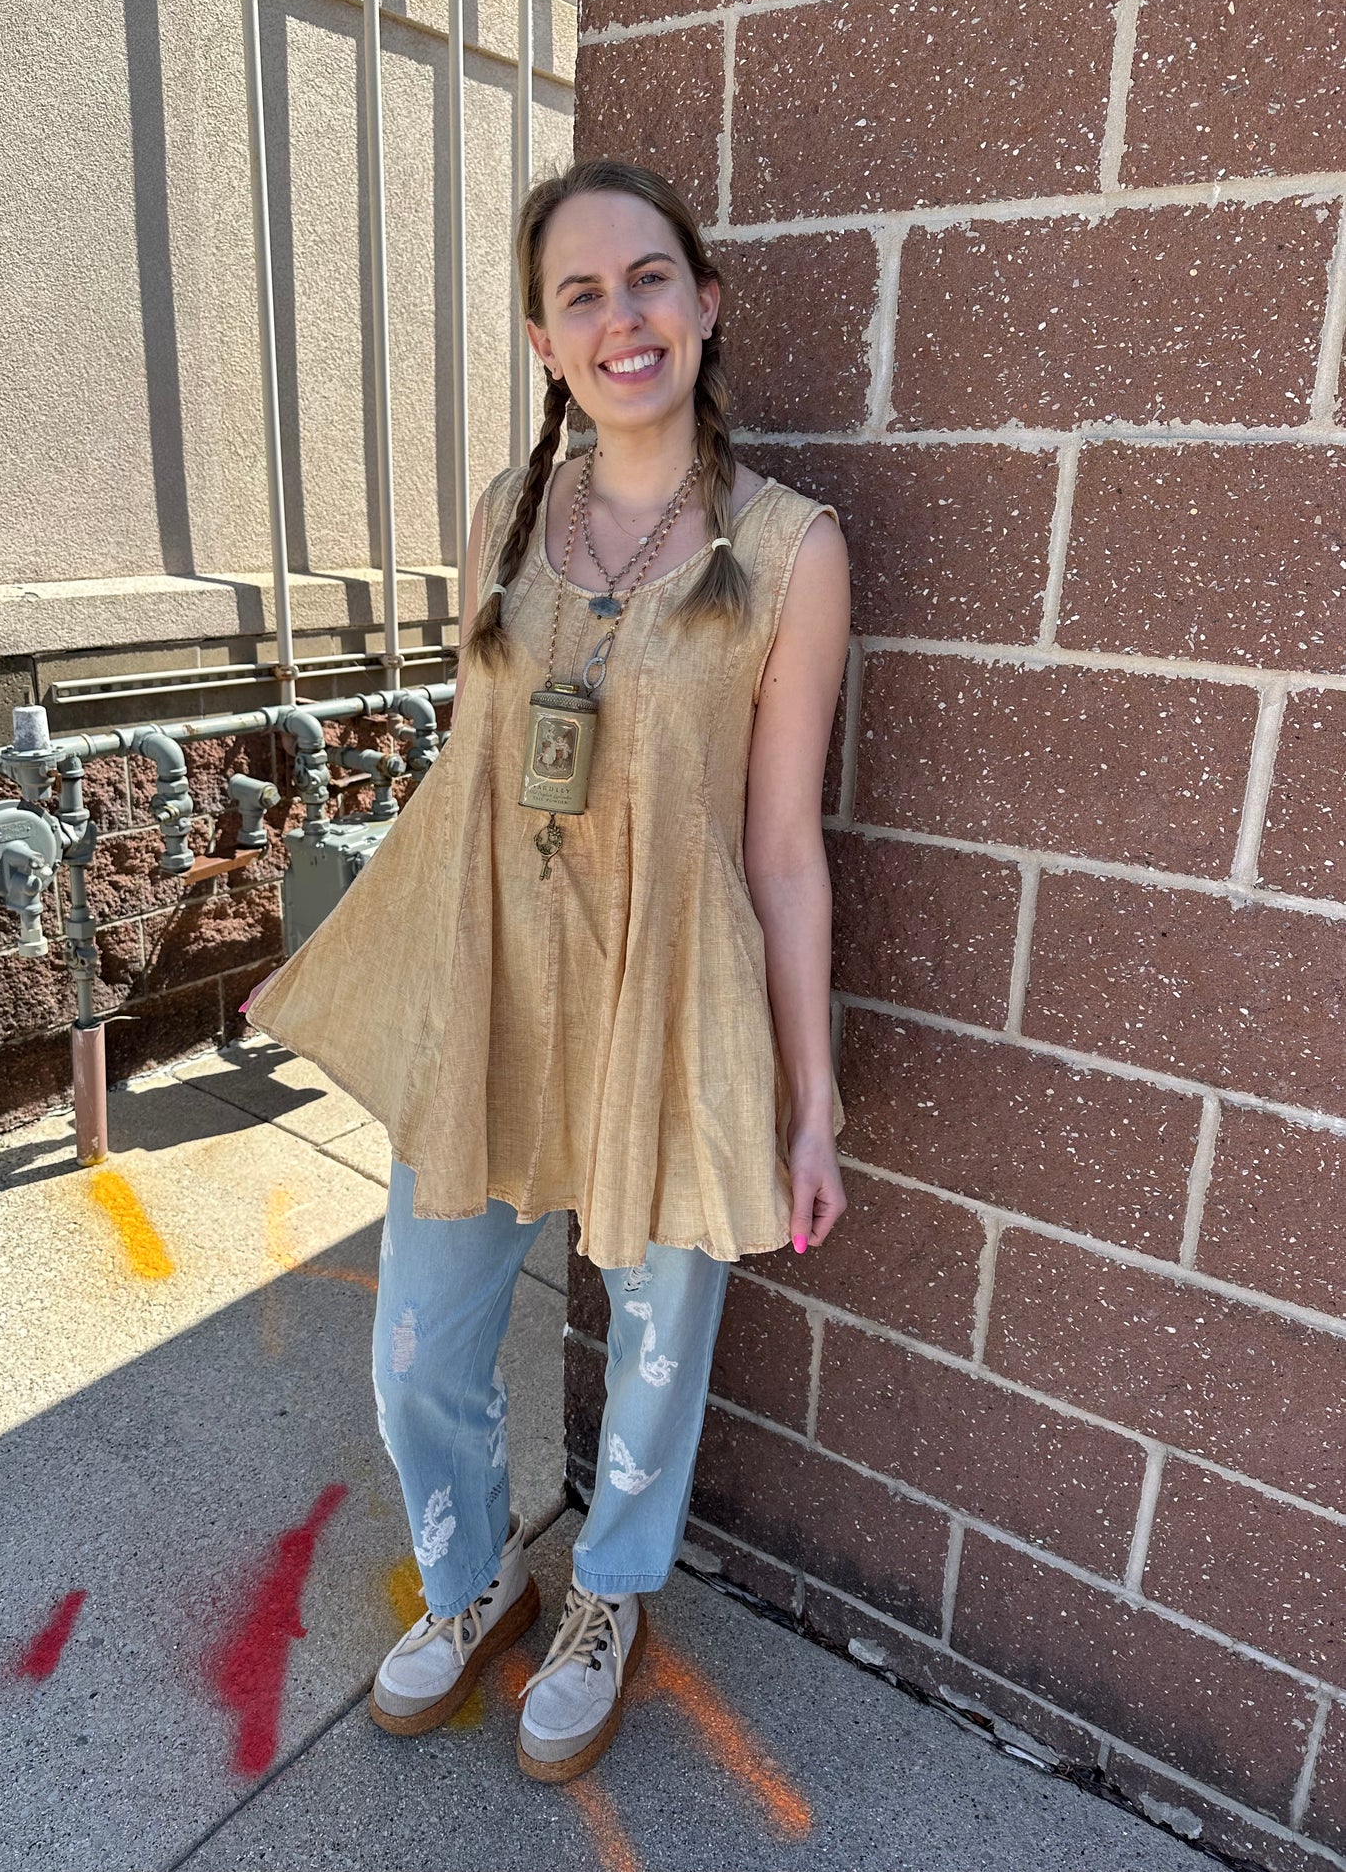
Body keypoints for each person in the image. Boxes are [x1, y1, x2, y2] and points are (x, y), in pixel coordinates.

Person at [243, 156, 851, 1781]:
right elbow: (476, 779)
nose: (619, 316)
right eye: (578, 293)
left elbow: (784, 848)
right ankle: (468, 1584)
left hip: (670, 1005)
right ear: (540, 336)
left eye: (647, 277)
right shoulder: (507, 520)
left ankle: (607, 1596)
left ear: (704, 301)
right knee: (418, 1347)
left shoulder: (788, 551)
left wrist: (811, 1101)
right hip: (502, 994)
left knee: (656, 1349)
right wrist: (385, 982)